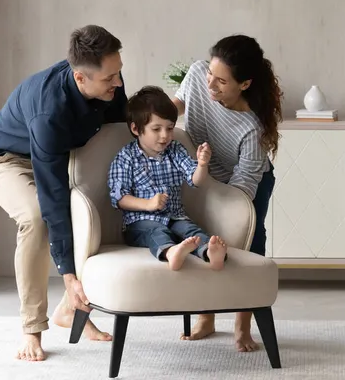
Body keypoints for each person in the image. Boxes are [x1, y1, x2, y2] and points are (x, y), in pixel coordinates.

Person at [0, 25, 127, 361]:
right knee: (36, 218)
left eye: (118, 73)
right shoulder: (49, 110)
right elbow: (52, 198)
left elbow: (120, 133)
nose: (117, 83)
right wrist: (68, 274)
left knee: (95, 213)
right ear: (80, 78)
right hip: (6, 160)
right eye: (109, 79)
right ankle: (32, 329)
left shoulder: (109, 81)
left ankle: (71, 310)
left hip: (59, 156)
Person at [172, 34, 283, 352]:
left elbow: (241, 190)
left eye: (221, 81)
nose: (210, 85)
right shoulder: (196, 74)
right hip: (205, 177)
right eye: (211, 74)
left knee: (247, 246)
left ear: (245, 84)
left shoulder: (252, 128)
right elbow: (177, 103)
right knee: (206, 242)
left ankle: (242, 325)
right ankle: (206, 318)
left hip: (246, 187)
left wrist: (216, 201)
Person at [108, 86, 228, 271]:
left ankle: (209, 253)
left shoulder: (176, 150)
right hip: (140, 222)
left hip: (176, 217)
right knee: (156, 231)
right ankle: (171, 252)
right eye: (156, 129)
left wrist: (202, 165)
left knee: (191, 231)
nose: (165, 136)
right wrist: (148, 204)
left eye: (170, 128)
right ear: (135, 128)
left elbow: (195, 180)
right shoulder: (126, 157)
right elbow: (119, 197)